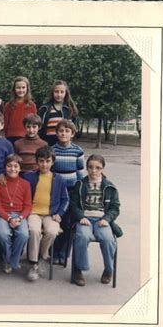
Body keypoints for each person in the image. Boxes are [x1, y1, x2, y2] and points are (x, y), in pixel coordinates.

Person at [70, 154, 122, 286]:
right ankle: (79, 269)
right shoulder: (80, 184)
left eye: (98, 168)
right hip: (85, 219)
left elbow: (115, 208)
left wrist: (107, 218)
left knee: (108, 239)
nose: (94, 171)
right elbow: (73, 205)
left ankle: (109, 270)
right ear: (87, 168)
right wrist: (81, 217)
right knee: (82, 236)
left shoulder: (109, 187)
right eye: (91, 167)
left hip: (101, 220)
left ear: (103, 169)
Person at [22, 146, 69, 281]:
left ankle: (42, 255)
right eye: (41, 161)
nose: (44, 164)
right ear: (37, 162)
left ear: (52, 162)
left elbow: (65, 199)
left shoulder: (59, 179)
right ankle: (33, 263)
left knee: (52, 231)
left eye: (48, 161)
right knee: (34, 230)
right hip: (34, 212)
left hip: (51, 214)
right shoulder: (29, 177)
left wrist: (60, 213)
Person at [51, 119, 85, 265]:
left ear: (72, 134)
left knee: (68, 223)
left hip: (71, 192)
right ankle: (54, 252)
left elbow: (80, 174)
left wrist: (80, 192)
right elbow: (49, 172)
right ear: (56, 133)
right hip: (56, 193)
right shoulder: (52, 150)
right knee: (56, 222)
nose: (63, 133)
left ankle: (64, 253)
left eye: (67, 131)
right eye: (60, 131)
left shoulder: (78, 151)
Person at [0, 154, 31, 274]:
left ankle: (12, 261)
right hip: (4, 215)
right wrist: (9, 219)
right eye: (9, 166)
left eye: (16, 166)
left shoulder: (25, 184)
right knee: (3, 234)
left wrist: (19, 218)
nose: (12, 169)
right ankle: (10, 260)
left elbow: (28, 206)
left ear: (20, 168)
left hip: (20, 215)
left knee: (24, 234)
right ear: (5, 167)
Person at [38, 80, 78, 146]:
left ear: (66, 93)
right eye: (56, 92)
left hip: (64, 145)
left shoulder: (70, 110)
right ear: (52, 93)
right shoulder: (45, 109)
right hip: (47, 144)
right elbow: (40, 128)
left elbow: (72, 129)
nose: (59, 95)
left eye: (62, 92)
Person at [3, 76, 37, 144]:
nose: (21, 90)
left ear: (27, 89)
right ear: (14, 89)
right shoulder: (8, 105)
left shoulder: (31, 105)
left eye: (23, 87)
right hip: (11, 138)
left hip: (26, 137)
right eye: (18, 88)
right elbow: (5, 124)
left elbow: (34, 123)